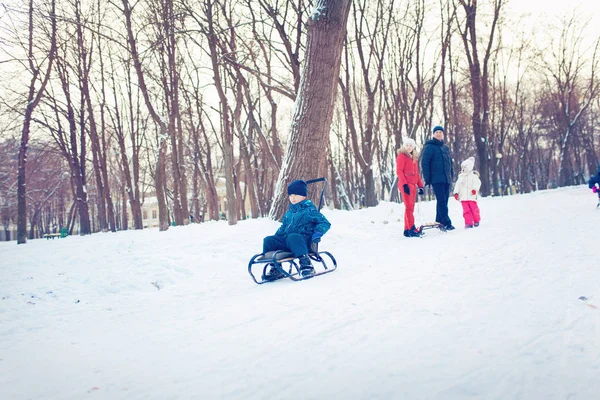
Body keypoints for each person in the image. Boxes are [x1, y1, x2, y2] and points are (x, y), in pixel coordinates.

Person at [262, 179, 331, 280]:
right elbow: (283, 228)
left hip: (304, 242)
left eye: (295, 194)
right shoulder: (289, 213)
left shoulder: (309, 210)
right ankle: (276, 268)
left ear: (303, 196)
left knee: (293, 237)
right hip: (289, 242)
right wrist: (276, 238)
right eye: (290, 195)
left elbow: (324, 223)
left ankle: (306, 264)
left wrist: (317, 233)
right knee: (268, 240)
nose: (292, 197)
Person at [421, 125, 455, 230]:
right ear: (433, 134)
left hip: (446, 178)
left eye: (440, 132)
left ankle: (439, 221)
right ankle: (447, 223)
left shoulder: (445, 148)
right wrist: (427, 178)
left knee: (445, 200)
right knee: (441, 201)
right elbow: (425, 163)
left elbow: (450, 163)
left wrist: (451, 175)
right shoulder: (429, 147)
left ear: (443, 134)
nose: (439, 133)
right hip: (436, 179)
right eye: (437, 132)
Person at [396, 137, 425, 237]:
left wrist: (420, 186)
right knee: (409, 207)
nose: (409, 147)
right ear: (404, 146)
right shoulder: (401, 156)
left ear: (413, 147)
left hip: (413, 186)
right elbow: (399, 171)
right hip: (406, 185)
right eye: (407, 145)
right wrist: (404, 185)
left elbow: (416, 174)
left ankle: (407, 229)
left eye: (411, 145)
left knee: (410, 208)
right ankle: (412, 228)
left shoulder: (414, 158)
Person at [453, 157, 481, 228]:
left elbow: (477, 184)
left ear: (469, 167)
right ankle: (468, 223)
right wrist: (456, 193)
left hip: (471, 196)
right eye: (462, 167)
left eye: (465, 167)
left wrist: (474, 189)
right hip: (463, 198)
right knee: (466, 211)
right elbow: (457, 186)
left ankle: (476, 220)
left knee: (474, 210)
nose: (463, 169)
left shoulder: (474, 177)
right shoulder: (460, 177)